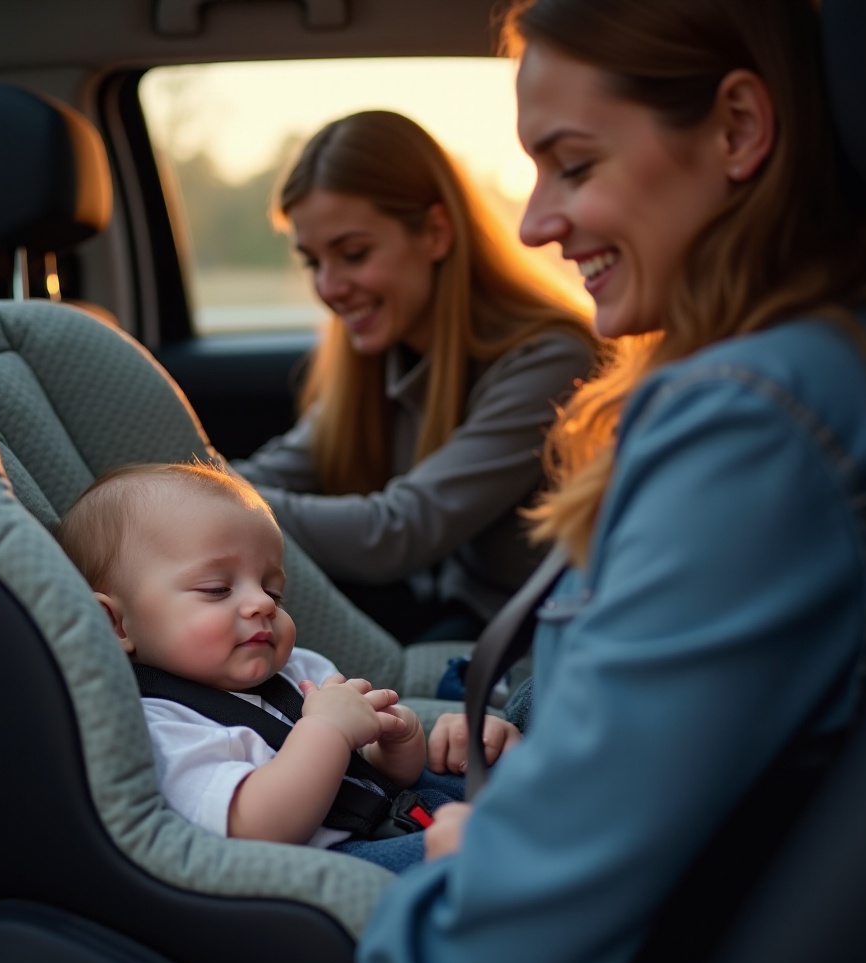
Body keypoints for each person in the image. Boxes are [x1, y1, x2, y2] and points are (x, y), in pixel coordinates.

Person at [356, 0, 866, 963]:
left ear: (738, 129)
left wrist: (458, 854)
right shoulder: (837, 364)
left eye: (573, 164)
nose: (531, 223)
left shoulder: (752, 422)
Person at [232, 109, 597, 644]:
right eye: (313, 263)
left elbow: (397, 532)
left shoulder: (551, 361)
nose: (330, 287)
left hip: (527, 637)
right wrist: (190, 490)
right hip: (441, 609)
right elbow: (280, 469)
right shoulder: (381, 357)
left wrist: (220, 498)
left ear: (435, 233)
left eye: (353, 254)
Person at [56, 460, 520, 872]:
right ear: (115, 624)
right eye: (218, 589)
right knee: (508, 849)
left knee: (524, 734)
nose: (261, 603)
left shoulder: (298, 669)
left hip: (402, 812)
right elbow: (260, 828)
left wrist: (398, 743)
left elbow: (370, 773)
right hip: (346, 863)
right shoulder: (161, 726)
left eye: (273, 591)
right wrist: (329, 733)